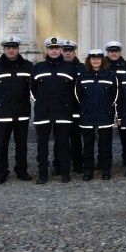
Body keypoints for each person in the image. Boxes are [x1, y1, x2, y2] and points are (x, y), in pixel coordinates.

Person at [0, 36, 33, 184]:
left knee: (22, 144)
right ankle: (1, 173)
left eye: (14, 48)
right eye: (8, 48)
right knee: (2, 145)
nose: (11, 51)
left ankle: (22, 170)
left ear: (18, 49)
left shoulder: (28, 66)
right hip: (2, 114)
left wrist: (26, 102)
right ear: (4, 49)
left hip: (22, 112)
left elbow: (33, 87)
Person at [31, 37, 78, 184]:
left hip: (63, 112)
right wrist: (40, 103)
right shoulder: (38, 68)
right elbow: (33, 90)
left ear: (61, 50)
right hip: (43, 112)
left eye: (57, 48)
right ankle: (42, 174)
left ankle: (65, 172)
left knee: (63, 144)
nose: (54, 51)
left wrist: (67, 106)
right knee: (42, 145)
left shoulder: (70, 68)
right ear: (47, 50)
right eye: (51, 48)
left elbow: (74, 91)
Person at [77, 49, 120, 180]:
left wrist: (110, 110)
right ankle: (88, 171)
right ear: (89, 61)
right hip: (87, 116)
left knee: (105, 145)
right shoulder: (83, 76)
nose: (96, 61)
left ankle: (106, 170)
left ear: (103, 61)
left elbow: (116, 95)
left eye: (98, 58)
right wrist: (84, 108)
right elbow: (77, 95)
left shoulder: (110, 76)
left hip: (104, 115)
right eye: (93, 58)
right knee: (88, 146)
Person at [61, 40, 84, 174]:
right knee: (60, 140)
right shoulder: (58, 66)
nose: (68, 53)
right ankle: (59, 165)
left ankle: (78, 164)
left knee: (76, 139)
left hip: (77, 109)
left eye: (70, 51)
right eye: (65, 51)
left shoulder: (82, 68)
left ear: (75, 52)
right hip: (61, 110)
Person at [105, 41, 126, 165]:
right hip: (106, 103)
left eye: (116, 51)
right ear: (107, 53)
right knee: (105, 136)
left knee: (124, 134)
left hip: (122, 103)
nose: (114, 53)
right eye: (111, 51)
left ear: (119, 52)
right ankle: (103, 160)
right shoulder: (102, 66)